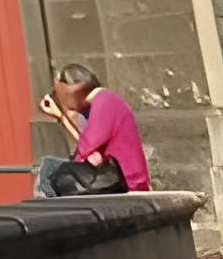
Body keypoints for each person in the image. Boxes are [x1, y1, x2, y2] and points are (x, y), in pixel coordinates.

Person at [33, 65, 148, 196]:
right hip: (113, 176)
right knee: (50, 167)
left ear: (70, 93)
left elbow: (85, 148)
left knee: (49, 171)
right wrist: (62, 117)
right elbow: (88, 148)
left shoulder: (105, 102)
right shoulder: (99, 103)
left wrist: (64, 115)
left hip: (127, 182)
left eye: (57, 94)